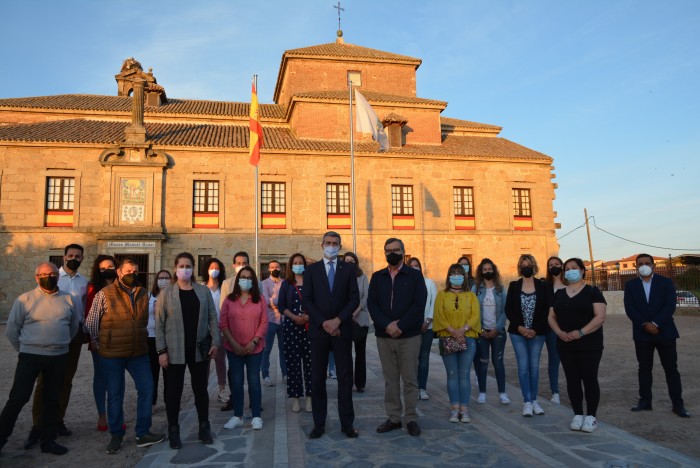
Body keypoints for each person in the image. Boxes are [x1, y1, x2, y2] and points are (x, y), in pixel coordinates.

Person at [86, 257, 165, 454]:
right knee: (115, 394)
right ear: (119, 273)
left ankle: (143, 433)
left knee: (147, 388)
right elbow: (91, 323)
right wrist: (101, 342)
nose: (131, 274)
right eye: (128, 271)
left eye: (135, 271)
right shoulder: (104, 294)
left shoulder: (143, 293)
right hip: (112, 354)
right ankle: (116, 434)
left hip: (138, 352)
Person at [0, 262, 79, 456]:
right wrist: (26, 349)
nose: (49, 277)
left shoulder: (68, 299)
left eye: (52, 273)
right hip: (30, 357)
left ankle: (48, 440)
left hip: (58, 357)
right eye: (44, 274)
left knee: (52, 400)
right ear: (37, 277)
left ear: (57, 276)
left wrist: (60, 343)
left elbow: (73, 326)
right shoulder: (24, 299)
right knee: (18, 398)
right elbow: (12, 330)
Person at [156, 253, 220, 448]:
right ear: (176, 268)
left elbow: (212, 318)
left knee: (200, 389)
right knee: (173, 392)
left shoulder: (202, 291)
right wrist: (161, 351)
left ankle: (204, 426)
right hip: (174, 349)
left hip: (199, 349)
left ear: (193, 268)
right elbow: (159, 324)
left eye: (188, 265)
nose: (185, 269)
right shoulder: (166, 293)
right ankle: (174, 429)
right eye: (182, 265)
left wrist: (215, 341)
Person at [26, 244, 87, 448]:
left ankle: (57, 420)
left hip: (75, 335)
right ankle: (38, 425)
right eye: (70, 255)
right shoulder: (51, 276)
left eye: (77, 256)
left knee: (66, 380)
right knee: (44, 381)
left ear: (82, 259)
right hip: (51, 333)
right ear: (63, 257)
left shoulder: (83, 283)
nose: (73, 259)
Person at [302, 231, 360, 439]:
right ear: (321, 245)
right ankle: (319, 423)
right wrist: (324, 322)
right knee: (318, 378)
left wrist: (338, 321)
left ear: (340, 246)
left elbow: (354, 299)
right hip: (319, 332)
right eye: (328, 243)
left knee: (345, 378)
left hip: (342, 330)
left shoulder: (348, 269)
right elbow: (307, 300)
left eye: (335, 243)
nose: (331, 246)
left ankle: (347, 423)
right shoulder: (312, 270)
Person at [368, 238, 427, 436]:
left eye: (396, 250)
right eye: (388, 250)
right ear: (384, 253)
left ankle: (411, 418)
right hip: (385, 337)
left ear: (403, 251)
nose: (392, 253)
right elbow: (372, 304)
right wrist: (387, 325)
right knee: (390, 380)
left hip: (408, 336)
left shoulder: (415, 276)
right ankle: (393, 417)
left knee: (410, 379)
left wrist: (400, 326)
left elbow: (419, 305)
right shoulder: (377, 277)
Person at [624, 253, 690, 418]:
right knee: (644, 368)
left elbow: (670, 306)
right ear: (636, 266)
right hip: (642, 333)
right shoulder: (631, 285)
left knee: (671, 369)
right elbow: (629, 308)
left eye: (647, 263)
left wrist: (656, 323)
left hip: (665, 332)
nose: (643, 266)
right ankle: (645, 401)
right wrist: (644, 324)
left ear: (653, 265)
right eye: (640, 264)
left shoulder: (666, 282)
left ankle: (677, 404)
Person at [549, 258, 606, 433]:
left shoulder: (592, 292)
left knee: (589, 378)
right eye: (567, 268)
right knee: (572, 379)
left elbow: (600, 317)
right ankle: (578, 413)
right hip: (565, 343)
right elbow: (551, 316)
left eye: (574, 268)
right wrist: (559, 332)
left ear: (582, 271)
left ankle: (591, 416)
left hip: (589, 344)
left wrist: (580, 332)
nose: (570, 271)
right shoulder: (559, 294)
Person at [220, 266, 268, 430]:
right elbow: (223, 323)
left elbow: (264, 323)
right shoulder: (229, 299)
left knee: (254, 382)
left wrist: (253, 342)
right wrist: (234, 344)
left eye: (249, 278)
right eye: (243, 277)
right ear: (238, 279)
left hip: (254, 348)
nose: (245, 280)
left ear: (253, 281)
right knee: (236, 381)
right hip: (233, 349)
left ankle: (256, 416)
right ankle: (237, 416)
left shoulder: (260, 300)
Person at [433, 263, 480, 423]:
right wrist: (453, 331)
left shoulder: (471, 296)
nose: (456, 276)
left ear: (464, 276)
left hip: (468, 338)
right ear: (448, 276)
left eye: (459, 273)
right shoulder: (442, 295)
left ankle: (464, 409)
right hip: (447, 337)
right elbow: (439, 315)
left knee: (465, 375)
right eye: (453, 273)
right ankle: (454, 408)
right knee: (452, 375)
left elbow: (475, 315)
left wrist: (462, 330)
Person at [505, 254, 550, 417]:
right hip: (518, 333)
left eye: (529, 264)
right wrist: (520, 327)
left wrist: (535, 329)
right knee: (523, 367)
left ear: (534, 266)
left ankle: (534, 400)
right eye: (523, 265)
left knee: (534, 367)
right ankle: (526, 402)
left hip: (537, 333)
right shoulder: (513, 286)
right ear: (519, 267)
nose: (526, 267)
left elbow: (546, 309)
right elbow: (508, 309)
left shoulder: (543, 286)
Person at [86, 255, 118, 431]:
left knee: (115, 379)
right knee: (101, 377)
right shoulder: (92, 289)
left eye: (111, 266)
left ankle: (115, 415)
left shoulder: (122, 287)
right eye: (104, 267)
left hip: (119, 340)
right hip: (99, 340)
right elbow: (89, 315)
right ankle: (102, 415)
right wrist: (93, 339)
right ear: (98, 270)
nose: (107, 270)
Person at [472, 258, 510, 405]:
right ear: (481, 272)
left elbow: (506, 310)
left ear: (494, 270)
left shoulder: (501, 289)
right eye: (485, 269)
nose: (488, 271)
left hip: (498, 332)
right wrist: (480, 329)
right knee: (483, 362)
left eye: (490, 269)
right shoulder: (476, 289)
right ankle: (482, 392)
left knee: (498, 362)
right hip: (481, 332)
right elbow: (473, 310)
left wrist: (497, 328)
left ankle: (502, 393)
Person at [278, 253, 312, 412]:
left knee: (310, 363)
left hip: (310, 327)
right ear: (291, 266)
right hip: (291, 328)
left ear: (305, 264)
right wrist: (293, 317)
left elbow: (319, 302)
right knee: (293, 364)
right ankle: (296, 398)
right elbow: (282, 306)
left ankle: (310, 397)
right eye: (295, 262)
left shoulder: (312, 282)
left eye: (301, 262)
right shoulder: (286, 284)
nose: (298, 265)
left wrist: (308, 317)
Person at [218, 251, 249, 412]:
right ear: (233, 265)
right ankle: (233, 398)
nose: (241, 266)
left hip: (251, 334)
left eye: (244, 263)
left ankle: (253, 398)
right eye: (239, 263)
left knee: (251, 370)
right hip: (232, 334)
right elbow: (223, 309)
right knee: (234, 369)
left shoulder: (254, 283)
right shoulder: (226, 284)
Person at [408, 257, 437, 401]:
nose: (415, 268)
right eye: (412, 266)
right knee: (411, 359)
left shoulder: (429, 283)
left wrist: (428, 321)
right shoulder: (406, 284)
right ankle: (412, 387)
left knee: (424, 358)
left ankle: (422, 387)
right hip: (411, 328)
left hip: (427, 327)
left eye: (416, 265)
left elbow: (434, 303)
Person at [343, 252, 371, 393]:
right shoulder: (339, 277)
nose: (349, 262)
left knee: (360, 353)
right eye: (346, 260)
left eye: (351, 260)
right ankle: (347, 382)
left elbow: (367, 295)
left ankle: (360, 383)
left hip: (361, 319)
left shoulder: (362, 277)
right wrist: (347, 313)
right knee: (346, 354)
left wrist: (357, 310)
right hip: (345, 319)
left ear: (356, 262)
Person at [202, 258, 228, 403]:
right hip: (205, 332)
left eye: (217, 267)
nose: (214, 270)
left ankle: (222, 390)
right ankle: (203, 390)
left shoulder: (223, 288)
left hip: (220, 330)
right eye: (211, 267)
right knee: (204, 362)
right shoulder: (201, 288)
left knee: (220, 361)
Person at [147, 269, 172, 408]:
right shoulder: (149, 297)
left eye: (167, 278)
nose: (163, 280)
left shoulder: (174, 296)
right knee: (152, 373)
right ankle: (151, 402)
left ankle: (169, 401)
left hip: (168, 338)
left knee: (169, 374)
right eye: (161, 278)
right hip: (151, 338)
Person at [261, 260, 287, 387]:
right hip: (270, 320)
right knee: (266, 349)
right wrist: (279, 303)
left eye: (277, 267)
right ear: (268, 269)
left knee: (284, 349)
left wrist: (274, 303)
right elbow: (265, 300)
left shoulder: (285, 283)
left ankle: (285, 374)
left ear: (281, 268)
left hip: (283, 320)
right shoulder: (264, 283)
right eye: (272, 267)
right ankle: (265, 375)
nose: (275, 269)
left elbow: (287, 301)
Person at [544, 256, 565, 404]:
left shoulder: (570, 285)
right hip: (551, 329)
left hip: (569, 327)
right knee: (554, 359)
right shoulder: (544, 286)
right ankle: (555, 391)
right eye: (551, 265)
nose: (554, 267)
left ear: (562, 266)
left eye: (556, 264)